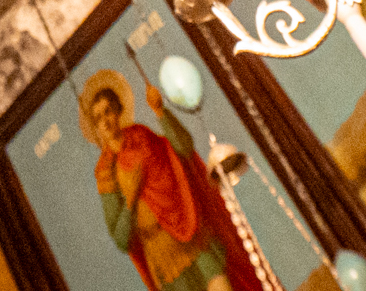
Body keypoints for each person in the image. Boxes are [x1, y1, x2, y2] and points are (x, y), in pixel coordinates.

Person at [79, 70, 272, 291]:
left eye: (108, 112)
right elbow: (121, 239)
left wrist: (161, 112)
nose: (105, 121)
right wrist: (131, 198)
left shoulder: (142, 136)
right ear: (95, 127)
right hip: (165, 256)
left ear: (118, 111)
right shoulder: (106, 172)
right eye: (98, 118)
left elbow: (183, 148)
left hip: (189, 227)